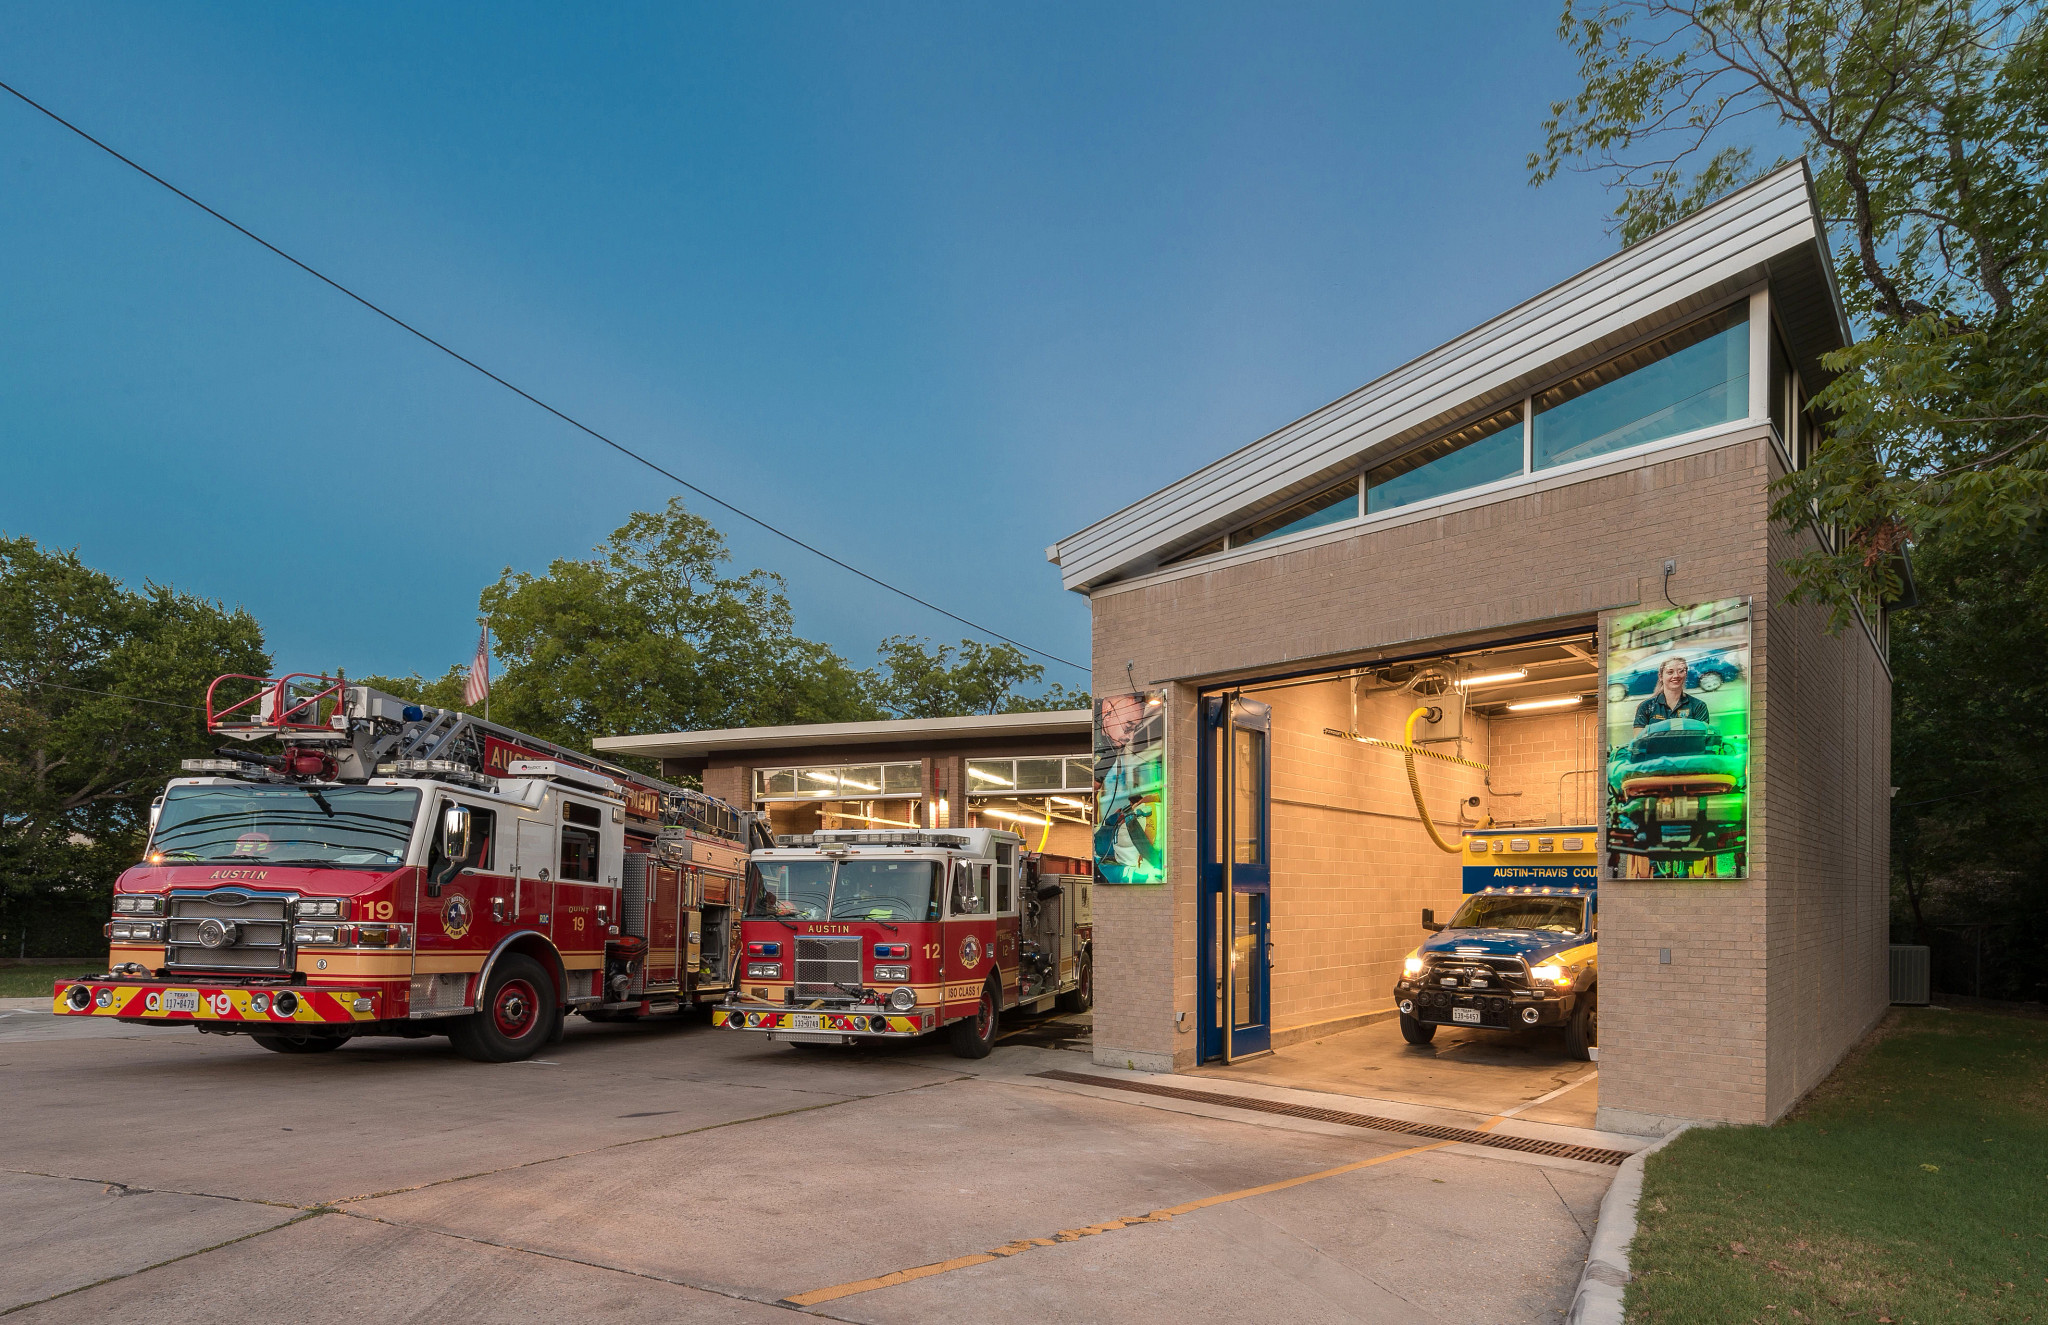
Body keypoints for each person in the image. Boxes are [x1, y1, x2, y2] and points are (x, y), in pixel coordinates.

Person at [1632, 655, 1709, 732]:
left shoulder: (1699, 706)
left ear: (1686, 674)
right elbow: (1638, 740)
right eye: (1670, 672)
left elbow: (1702, 739)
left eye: (1681, 671)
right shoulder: (1646, 707)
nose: (1676, 676)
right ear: (1660, 676)